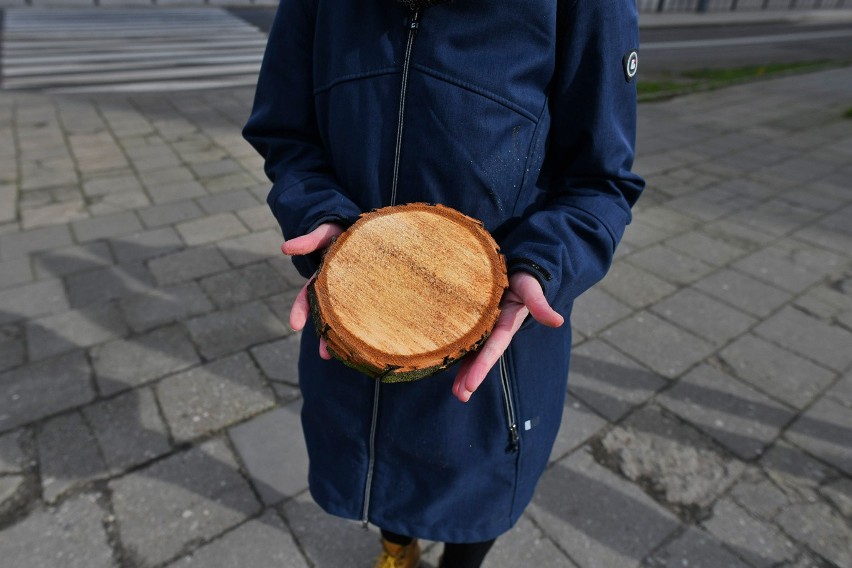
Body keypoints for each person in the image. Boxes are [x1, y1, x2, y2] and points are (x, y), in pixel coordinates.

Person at [243, 1, 644, 566]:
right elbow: (286, 134)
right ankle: (395, 549)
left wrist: (542, 264)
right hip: (359, 319)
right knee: (375, 475)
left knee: (473, 497)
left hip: (496, 344)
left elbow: (600, 181)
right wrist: (318, 215)